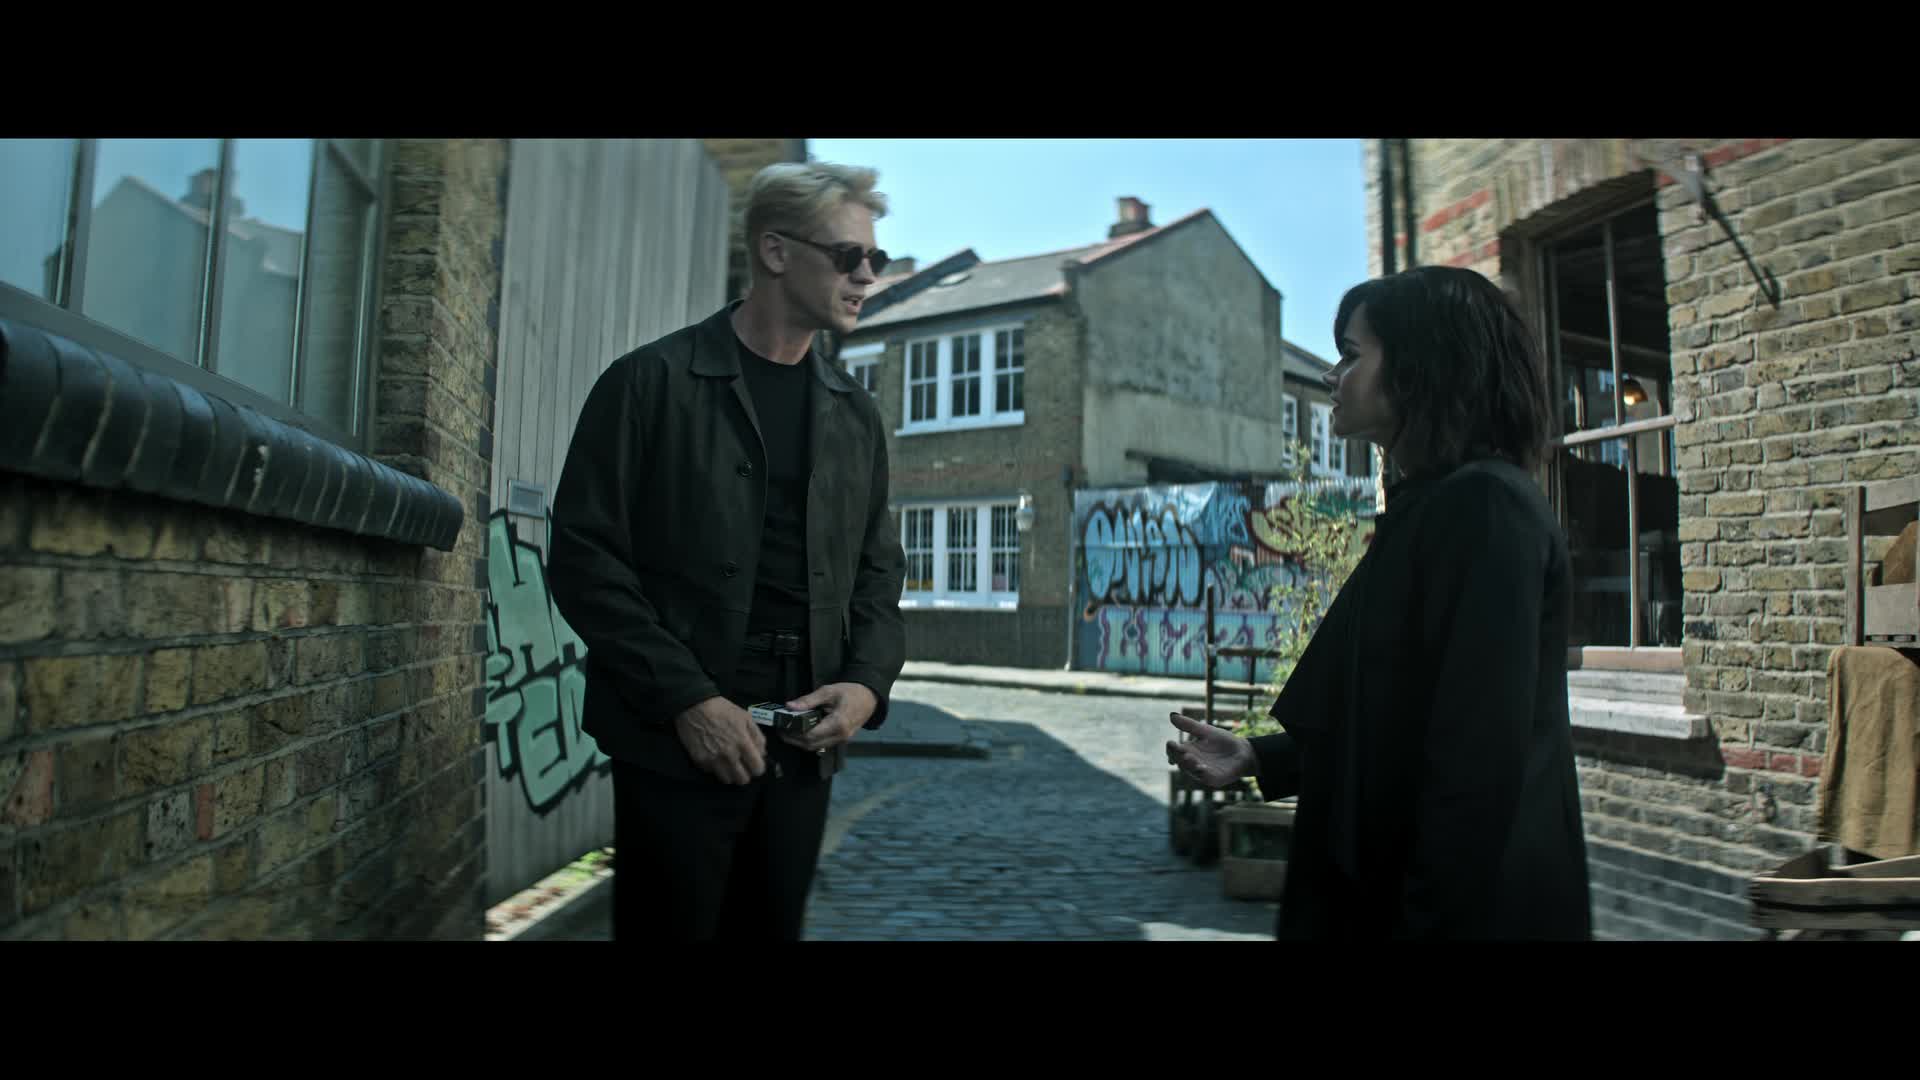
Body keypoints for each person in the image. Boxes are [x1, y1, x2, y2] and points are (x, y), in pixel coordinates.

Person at [1168, 265, 1592, 940]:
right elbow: (1389, 716)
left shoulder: (1486, 507)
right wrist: (1259, 756)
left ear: (1422, 365)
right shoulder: (1431, 505)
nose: (1333, 375)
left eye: (1351, 355)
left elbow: (1474, 764)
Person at [547, 161, 906, 942]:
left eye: (875, 258)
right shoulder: (648, 383)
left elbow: (878, 573)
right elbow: (584, 558)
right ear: (775, 251)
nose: (867, 276)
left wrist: (865, 686)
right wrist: (688, 701)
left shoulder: (855, 414)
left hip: (807, 735)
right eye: (849, 256)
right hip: (674, 735)